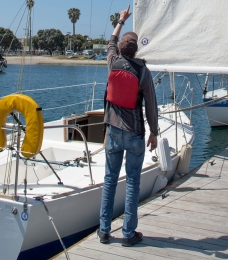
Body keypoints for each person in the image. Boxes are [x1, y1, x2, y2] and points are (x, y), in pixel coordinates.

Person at [98, 6, 158, 246]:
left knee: (110, 179)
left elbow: (111, 41)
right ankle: (128, 234)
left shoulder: (112, 62)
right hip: (134, 134)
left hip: (113, 131)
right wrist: (154, 132)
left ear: (121, 49)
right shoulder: (143, 71)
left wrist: (121, 20)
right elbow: (151, 105)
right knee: (132, 181)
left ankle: (103, 231)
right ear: (136, 50)